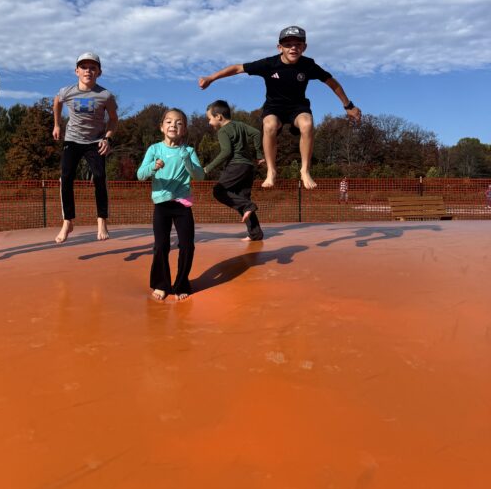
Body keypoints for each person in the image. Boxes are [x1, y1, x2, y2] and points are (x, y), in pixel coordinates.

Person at [198, 26, 361, 190]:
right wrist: (211, 78)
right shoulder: (269, 64)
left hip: (297, 108)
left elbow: (331, 82)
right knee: (269, 125)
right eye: (288, 45)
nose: (293, 48)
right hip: (274, 108)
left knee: (307, 123)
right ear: (280, 48)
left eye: (298, 44)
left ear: (304, 47)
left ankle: (305, 170)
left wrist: (349, 106)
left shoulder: (308, 65)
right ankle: (271, 170)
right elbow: (237, 68)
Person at [137, 108, 205, 301]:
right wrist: (153, 166)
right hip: (162, 205)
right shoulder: (154, 149)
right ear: (161, 127)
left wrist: (187, 160)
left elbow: (199, 176)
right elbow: (140, 175)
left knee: (187, 246)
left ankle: (182, 283)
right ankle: (161, 284)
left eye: (179, 122)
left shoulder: (189, 151)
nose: (173, 125)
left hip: (182, 205)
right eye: (168, 121)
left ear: (184, 130)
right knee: (161, 246)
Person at [53, 52, 118, 244]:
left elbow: (114, 120)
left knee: (99, 176)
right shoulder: (67, 91)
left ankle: (101, 221)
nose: (88, 70)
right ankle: (68, 221)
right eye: (84, 67)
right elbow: (57, 102)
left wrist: (107, 139)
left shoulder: (105, 95)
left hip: (95, 141)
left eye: (92, 67)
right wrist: (56, 124)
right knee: (65, 177)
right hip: (72, 140)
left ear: (99, 72)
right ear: (76, 71)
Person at [204, 100, 266, 240]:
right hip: (248, 168)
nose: (209, 123)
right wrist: (259, 154)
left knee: (219, 191)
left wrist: (209, 167)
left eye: (209, 119)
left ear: (219, 117)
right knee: (242, 199)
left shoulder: (223, 131)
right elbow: (256, 133)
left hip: (236, 166)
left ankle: (249, 206)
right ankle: (256, 234)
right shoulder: (240, 125)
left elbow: (226, 152)